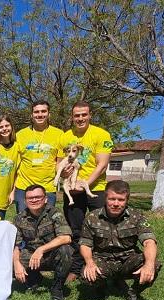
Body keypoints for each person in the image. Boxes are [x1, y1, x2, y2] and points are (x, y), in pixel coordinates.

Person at [79, 180, 161, 300]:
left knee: (154, 265)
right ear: (105, 198)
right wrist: (89, 263)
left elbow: (149, 241)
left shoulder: (136, 216)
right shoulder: (92, 217)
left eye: (121, 200)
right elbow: (85, 243)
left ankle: (132, 293)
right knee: (85, 275)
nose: (116, 204)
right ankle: (102, 286)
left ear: (126, 200)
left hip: (128, 259)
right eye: (112, 199)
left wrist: (149, 264)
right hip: (103, 258)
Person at [58, 100, 114, 279]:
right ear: (72, 117)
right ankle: (75, 268)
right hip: (73, 190)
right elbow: (59, 163)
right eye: (77, 115)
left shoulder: (101, 134)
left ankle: (101, 265)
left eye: (84, 114)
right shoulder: (65, 136)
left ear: (90, 115)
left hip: (95, 188)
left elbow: (102, 165)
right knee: (75, 229)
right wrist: (66, 179)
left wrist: (85, 185)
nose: (80, 118)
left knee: (100, 228)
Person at [12, 184, 73, 300]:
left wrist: (41, 250)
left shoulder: (54, 213)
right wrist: (16, 264)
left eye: (38, 197)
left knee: (66, 250)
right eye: (30, 198)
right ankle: (33, 279)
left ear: (45, 199)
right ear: (25, 201)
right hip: (30, 255)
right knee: (9, 261)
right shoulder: (19, 218)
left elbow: (66, 238)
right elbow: (17, 245)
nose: (34, 200)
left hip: (51, 254)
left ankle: (57, 287)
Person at [15, 100, 63, 211]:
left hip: (48, 188)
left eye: (43, 111)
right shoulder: (20, 135)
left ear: (49, 114)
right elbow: (15, 164)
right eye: (36, 112)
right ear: (31, 115)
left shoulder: (59, 134)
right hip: (23, 188)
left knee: (45, 225)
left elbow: (59, 162)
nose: (40, 114)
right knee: (23, 224)